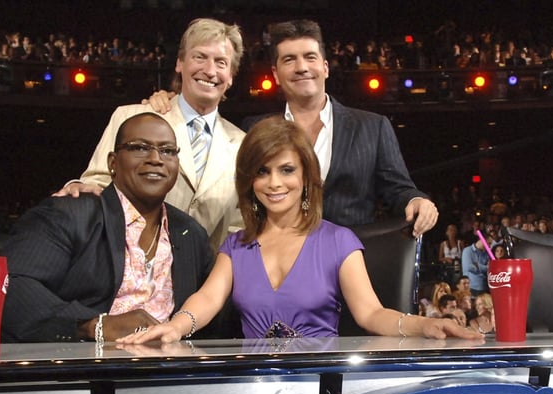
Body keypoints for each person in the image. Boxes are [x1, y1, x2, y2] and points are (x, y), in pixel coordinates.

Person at [117, 117, 480, 343]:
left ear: (306, 177)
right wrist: (176, 327)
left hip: (319, 387)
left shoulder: (339, 241)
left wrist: (424, 326)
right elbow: (207, 300)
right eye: (262, 171)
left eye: (286, 170)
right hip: (248, 388)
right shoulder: (236, 245)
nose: (274, 183)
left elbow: (370, 314)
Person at [146, 19, 438, 237]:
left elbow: (399, 189)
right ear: (275, 73)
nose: (301, 67)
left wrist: (417, 200)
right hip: (277, 268)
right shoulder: (254, 129)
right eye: (289, 60)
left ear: (325, 66)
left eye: (309, 57)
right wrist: (167, 102)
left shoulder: (372, 127)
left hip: (352, 268)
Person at [1, 113, 214, 342]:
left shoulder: (190, 233)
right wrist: (93, 326)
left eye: (167, 151)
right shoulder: (70, 214)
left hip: (168, 370)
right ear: (113, 162)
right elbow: (13, 284)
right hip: (83, 369)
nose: (156, 158)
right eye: (140, 147)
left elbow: (215, 304)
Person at [54, 18, 246, 250]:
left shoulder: (243, 144)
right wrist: (78, 188)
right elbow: (96, 183)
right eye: (200, 57)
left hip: (204, 279)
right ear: (179, 63)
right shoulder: (130, 117)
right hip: (125, 270)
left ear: (232, 76)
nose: (209, 70)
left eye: (221, 62)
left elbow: (239, 226)